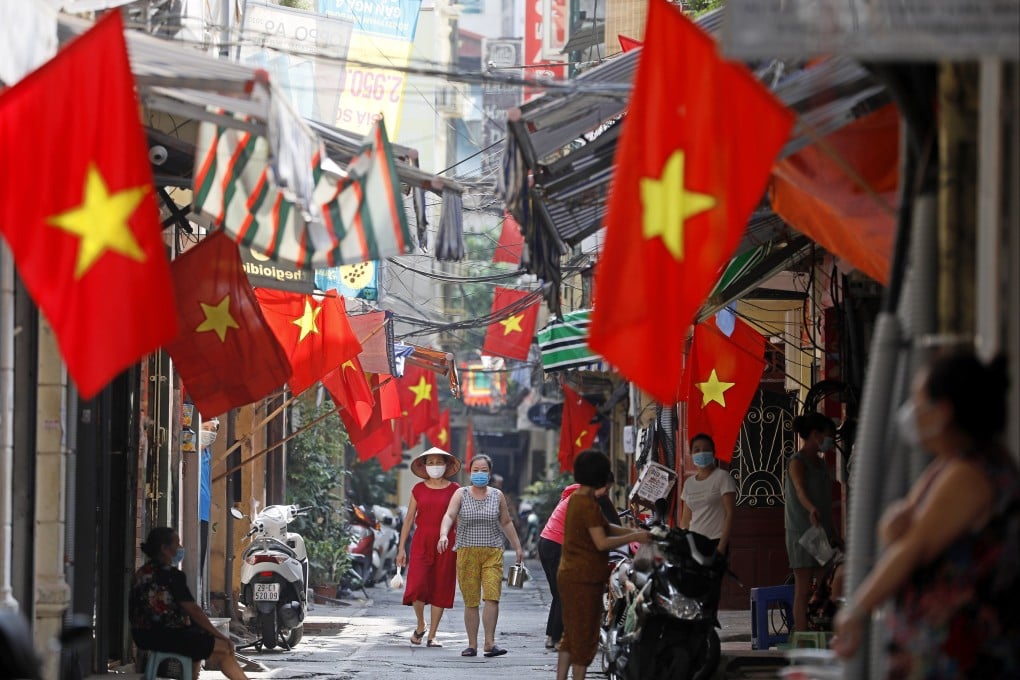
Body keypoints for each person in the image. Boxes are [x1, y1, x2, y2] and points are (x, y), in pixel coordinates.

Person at [832, 349, 1020, 677]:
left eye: (919, 401)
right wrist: (892, 527)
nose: (912, 412)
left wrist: (857, 609)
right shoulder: (947, 466)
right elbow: (902, 532)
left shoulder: (969, 476)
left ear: (943, 412)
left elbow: (912, 547)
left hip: (964, 658)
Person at [556, 450, 651, 680]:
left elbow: (605, 527)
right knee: (585, 637)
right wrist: (633, 537)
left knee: (572, 634)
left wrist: (632, 532)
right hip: (582, 578)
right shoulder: (586, 503)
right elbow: (602, 541)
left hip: (572, 575)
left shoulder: (580, 498)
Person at [129, 527, 248, 680]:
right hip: (167, 636)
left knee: (199, 638)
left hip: (142, 636)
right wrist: (221, 636)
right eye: (176, 544)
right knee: (225, 648)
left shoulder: (141, 573)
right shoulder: (172, 575)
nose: (179, 548)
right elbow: (194, 610)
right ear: (164, 549)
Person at [438, 454, 524, 658]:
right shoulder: (461, 494)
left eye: (483, 470)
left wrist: (518, 547)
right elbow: (449, 515)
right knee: (471, 600)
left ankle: (489, 643)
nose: (479, 474)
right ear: (469, 471)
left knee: (492, 596)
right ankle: (471, 644)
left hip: (492, 552)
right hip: (466, 551)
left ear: (490, 473)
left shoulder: (497, 495)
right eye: (475, 470)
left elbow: (506, 522)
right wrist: (443, 534)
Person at [539, 473, 621, 650]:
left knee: (559, 594)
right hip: (557, 545)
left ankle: (552, 637)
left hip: (546, 543)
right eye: (605, 488)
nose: (605, 491)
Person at [395, 447, 461, 647]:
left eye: (438, 462)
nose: (435, 467)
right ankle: (421, 622)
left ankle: (432, 634)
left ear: (446, 465)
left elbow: (460, 518)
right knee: (417, 585)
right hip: (421, 541)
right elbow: (408, 520)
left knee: (441, 586)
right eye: (430, 463)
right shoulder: (418, 489)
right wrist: (401, 548)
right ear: (424, 466)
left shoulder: (455, 490)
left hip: (446, 543)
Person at [785, 412, 840, 632]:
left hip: (823, 533)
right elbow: (800, 489)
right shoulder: (797, 462)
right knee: (803, 588)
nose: (830, 441)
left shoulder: (820, 463)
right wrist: (811, 508)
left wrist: (834, 533)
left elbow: (826, 504)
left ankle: (821, 630)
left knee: (826, 584)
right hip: (801, 532)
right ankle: (801, 635)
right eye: (828, 436)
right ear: (815, 434)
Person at [680, 433, 737, 556]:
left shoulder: (722, 477)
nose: (701, 453)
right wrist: (683, 544)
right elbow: (685, 519)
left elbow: (730, 514)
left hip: (715, 542)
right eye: (697, 450)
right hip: (693, 543)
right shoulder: (689, 483)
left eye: (706, 450)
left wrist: (721, 546)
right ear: (691, 454)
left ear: (713, 452)